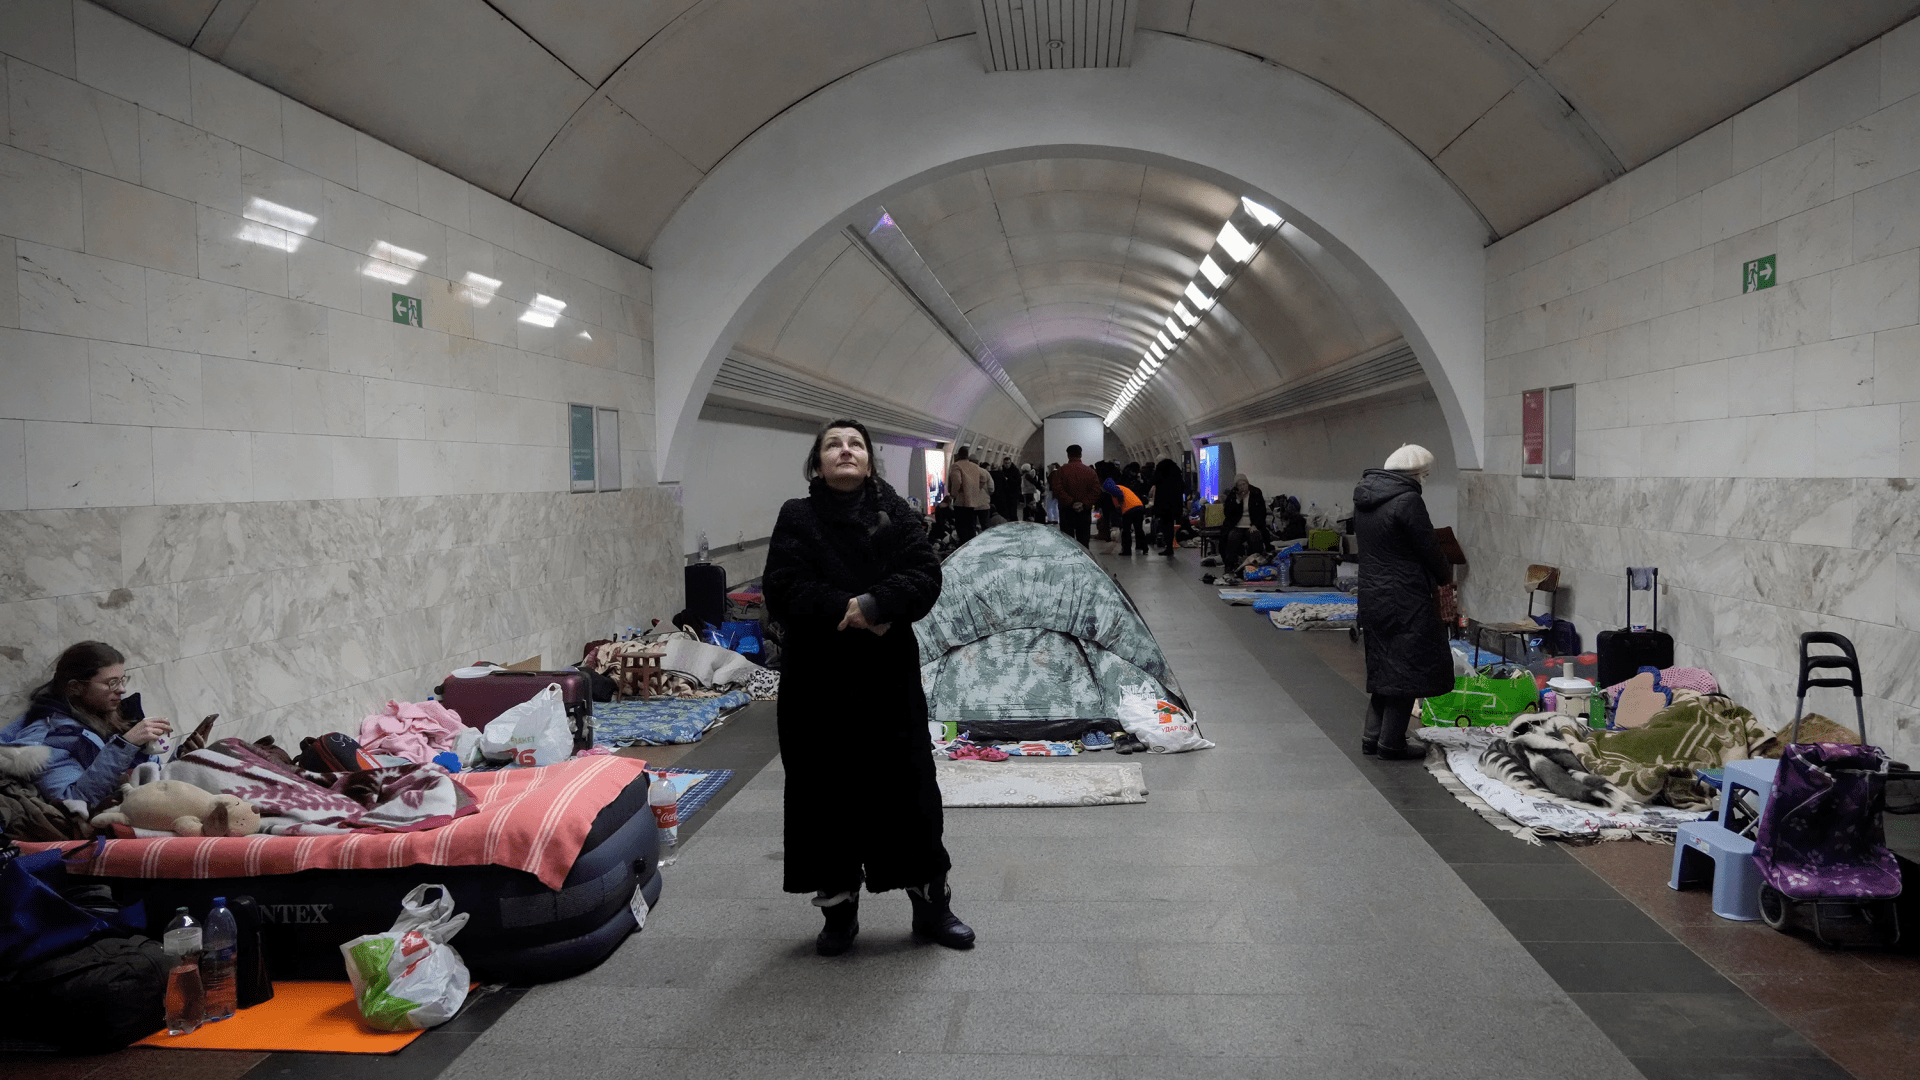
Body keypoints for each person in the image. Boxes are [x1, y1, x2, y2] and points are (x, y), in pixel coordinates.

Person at [763, 418, 974, 955]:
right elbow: (784, 586)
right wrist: (851, 609)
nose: (845, 451)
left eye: (855, 443)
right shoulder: (797, 516)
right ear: (818, 461)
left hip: (886, 683)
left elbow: (925, 574)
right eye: (833, 444)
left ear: (869, 459)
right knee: (823, 797)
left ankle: (932, 909)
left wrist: (877, 605)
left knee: (908, 795)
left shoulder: (895, 513)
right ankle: (838, 915)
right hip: (818, 685)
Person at [0, 641, 190, 810]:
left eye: (122, 680)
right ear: (75, 687)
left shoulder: (109, 713)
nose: (122, 689)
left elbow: (148, 775)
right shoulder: (48, 740)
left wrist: (183, 757)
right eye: (112, 683)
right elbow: (74, 801)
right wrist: (125, 746)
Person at [1353, 444, 1453, 760]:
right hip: (1405, 597)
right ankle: (1391, 743)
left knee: (1384, 667)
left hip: (1372, 595)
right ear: (1417, 473)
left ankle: (1372, 738)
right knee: (1405, 671)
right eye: (1425, 474)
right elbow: (1429, 547)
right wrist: (1444, 576)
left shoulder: (1365, 497)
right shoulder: (1408, 500)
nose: (1426, 479)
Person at [1049, 445, 1101, 547]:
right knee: (1083, 541)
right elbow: (1096, 490)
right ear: (1081, 455)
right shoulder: (1090, 471)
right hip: (1084, 511)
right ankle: (1084, 561)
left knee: (1068, 542)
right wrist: (1084, 504)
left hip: (1066, 511)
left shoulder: (1060, 471)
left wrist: (1071, 502)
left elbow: (1057, 489)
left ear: (1068, 455)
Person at [946, 446, 993, 545]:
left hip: (960, 502)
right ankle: (971, 546)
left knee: (961, 526)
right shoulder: (975, 466)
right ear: (967, 455)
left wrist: (954, 494)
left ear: (959, 455)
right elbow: (983, 478)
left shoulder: (956, 466)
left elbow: (957, 481)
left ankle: (963, 546)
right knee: (971, 526)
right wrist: (975, 489)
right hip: (972, 502)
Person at [1149, 458, 1185, 557]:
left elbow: (1152, 481)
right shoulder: (1177, 473)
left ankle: (1168, 547)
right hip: (1175, 504)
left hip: (1163, 504)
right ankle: (1170, 546)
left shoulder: (1160, 471)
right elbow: (1183, 487)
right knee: (1171, 525)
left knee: (1166, 526)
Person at [1102, 476, 1146, 555]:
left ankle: (1127, 550)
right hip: (1139, 506)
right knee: (1139, 529)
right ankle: (1144, 547)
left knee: (1126, 531)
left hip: (1129, 510)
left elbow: (1118, 504)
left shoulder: (1115, 491)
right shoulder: (1123, 488)